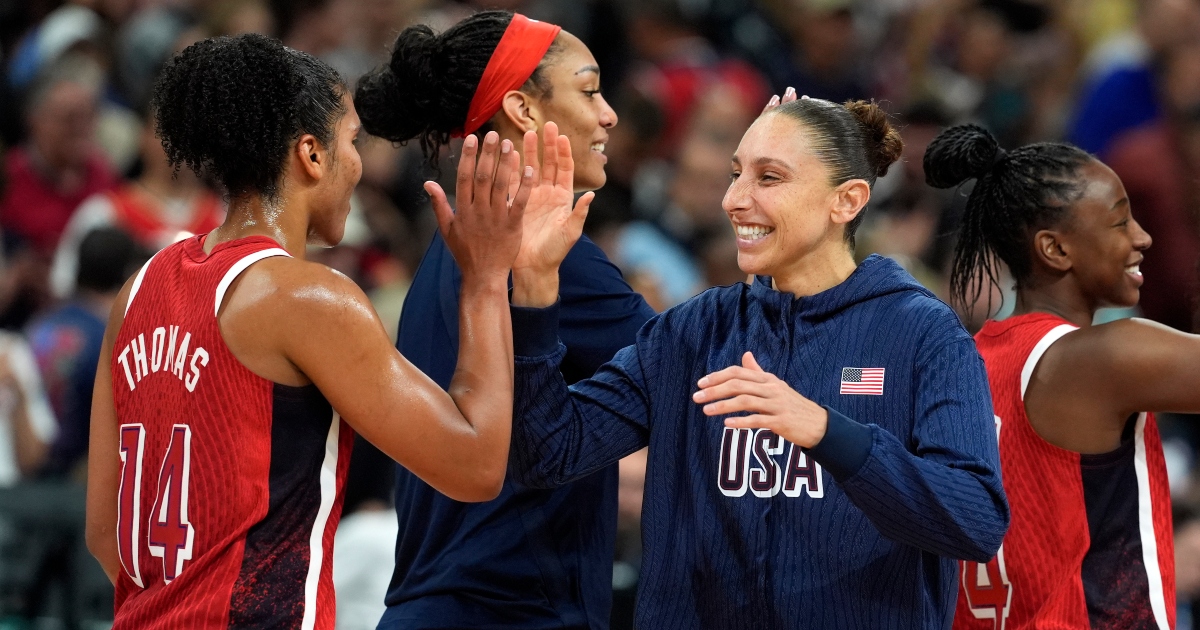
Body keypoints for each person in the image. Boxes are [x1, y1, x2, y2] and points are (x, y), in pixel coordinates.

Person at [84, 32, 571, 628]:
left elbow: (105, 536)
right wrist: (488, 275)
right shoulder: (307, 298)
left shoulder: (137, 292)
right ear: (311, 155)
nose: (359, 163)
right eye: (352, 141)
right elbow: (474, 465)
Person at [505, 97, 1010, 628]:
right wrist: (536, 289)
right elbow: (547, 454)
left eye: (769, 177)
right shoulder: (693, 331)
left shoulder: (921, 332)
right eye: (735, 173)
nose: (734, 199)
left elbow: (974, 520)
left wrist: (824, 430)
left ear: (848, 200)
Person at [354, 11, 655, 629]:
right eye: (589, 89)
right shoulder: (544, 254)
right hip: (510, 610)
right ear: (522, 109)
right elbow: (702, 371)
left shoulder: (452, 247)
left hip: (432, 605)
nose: (609, 115)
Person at [925, 125, 1182, 629]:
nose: (1142, 237)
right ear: (1055, 249)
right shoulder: (1101, 359)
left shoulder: (969, 362)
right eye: (1119, 222)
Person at [31, 227, 145, 478]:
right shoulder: (113, 342)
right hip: (77, 484)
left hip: (22, 480)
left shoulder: (38, 325)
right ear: (127, 275)